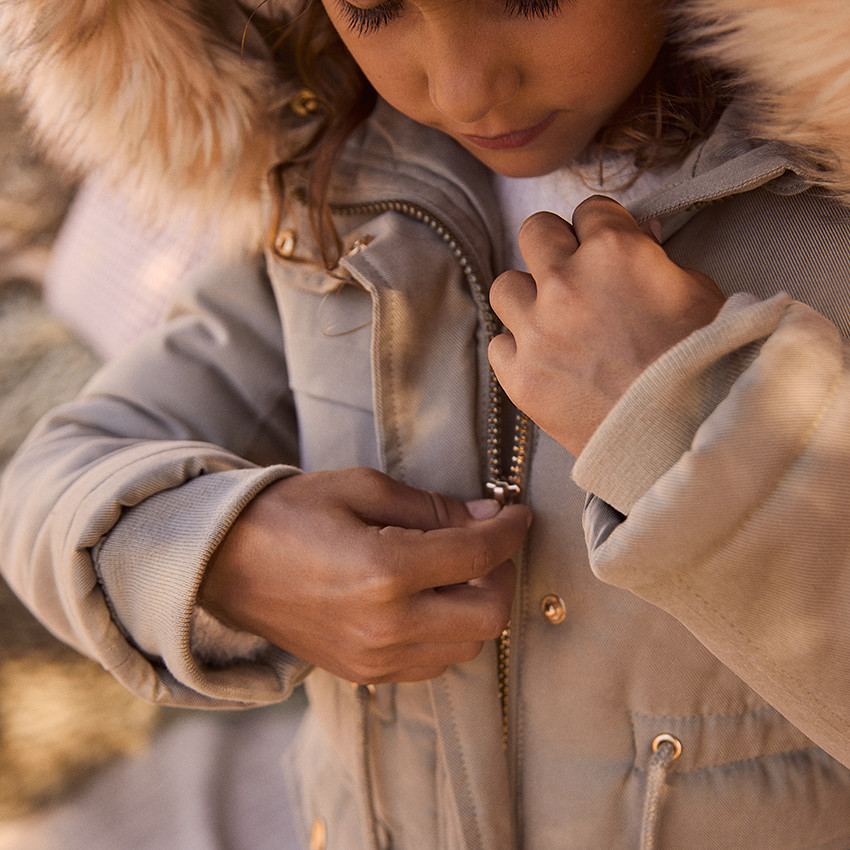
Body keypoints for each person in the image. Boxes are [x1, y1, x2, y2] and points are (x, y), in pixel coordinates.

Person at [1, 0, 850, 847]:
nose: (463, 88)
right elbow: (52, 480)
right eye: (372, 7)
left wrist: (687, 429)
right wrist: (221, 556)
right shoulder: (339, 197)